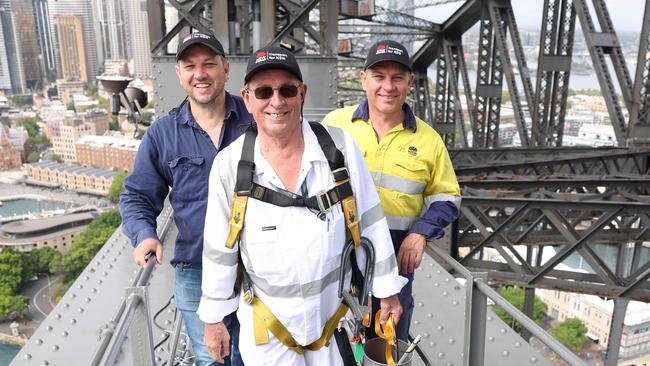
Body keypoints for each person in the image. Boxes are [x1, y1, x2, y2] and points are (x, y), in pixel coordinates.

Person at [197, 45, 407, 365]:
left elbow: (370, 222)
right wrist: (213, 319)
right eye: (264, 91)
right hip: (268, 330)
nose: (277, 101)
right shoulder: (230, 165)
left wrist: (387, 290)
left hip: (334, 325)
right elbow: (218, 249)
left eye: (287, 90)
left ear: (302, 93)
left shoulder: (339, 148)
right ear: (248, 98)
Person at [119, 31, 251, 366]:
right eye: (190, 66)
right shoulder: (163, 134)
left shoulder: (256, 120)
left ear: (225, 69)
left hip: (257, 266)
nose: (200, 73)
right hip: (197, 268)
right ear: (179, 75)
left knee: (257, 356)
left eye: (209, 64)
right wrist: (144, 234)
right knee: (212, 358)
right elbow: (137, 195)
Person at [323, 39, 461, 341]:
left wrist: (420, 232)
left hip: (395, 260)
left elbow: (447, 198)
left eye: (397, 77)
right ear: (363, 80)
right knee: (330, 344)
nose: (388, 86)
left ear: (410, 82)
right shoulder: (334, 125)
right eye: (379, 76)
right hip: (336, 255)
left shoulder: (429, 140)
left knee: (384, 346)